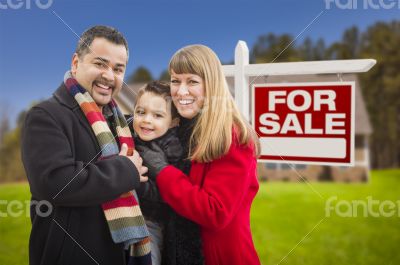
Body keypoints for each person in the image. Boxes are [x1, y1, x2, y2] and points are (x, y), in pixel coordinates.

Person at [21, 25, 150, 265]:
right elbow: (54, 182)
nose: (109, 76)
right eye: (100, 64)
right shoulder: (45, 115)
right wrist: (125, 170)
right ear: (76, 62)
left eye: (118, 69)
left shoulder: (121, 124)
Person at [138, 44, 261, 265]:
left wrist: (162, 170)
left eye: (192, 81)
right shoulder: (179, 130)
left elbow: (215, 212)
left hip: (220, 258)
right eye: (175, 81)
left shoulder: (231, 135)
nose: (181, 91)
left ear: (211, 85)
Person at [132, 81, 204, 265]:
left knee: (148, 258)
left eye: (157, 115)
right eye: (141, 112)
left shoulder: (172, 149)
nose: (146, 120)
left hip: (152, 219)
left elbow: (166, 194)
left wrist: (135, 181)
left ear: (172, 122)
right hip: (128, 215)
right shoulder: (130, 138)